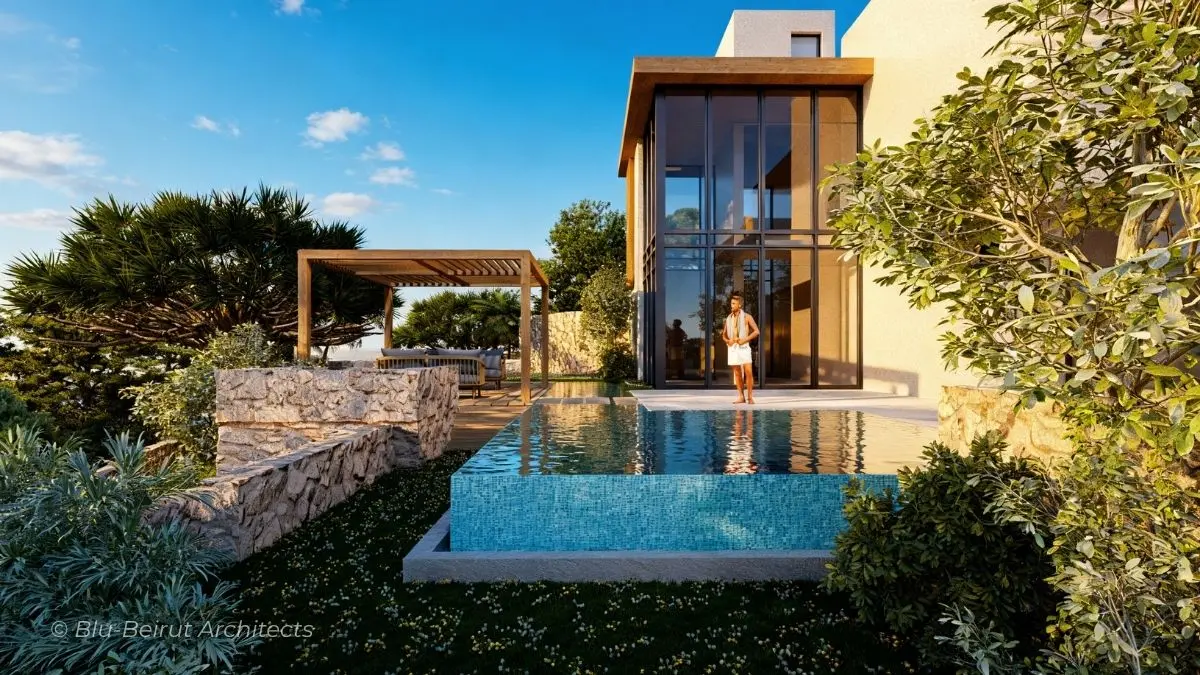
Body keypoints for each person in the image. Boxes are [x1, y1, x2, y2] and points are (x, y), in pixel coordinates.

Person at [722, 291, 759, 404]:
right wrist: (728, 341)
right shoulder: (728, 319)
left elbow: (757, 331)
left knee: (748, 372)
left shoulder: (747, 317)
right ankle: (741, 397)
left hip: (744, 347)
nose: (731, 305)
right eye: (731, 303)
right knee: (737, 373)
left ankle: (750, 397)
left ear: (740, 305)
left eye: (733, 303)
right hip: (733, 348)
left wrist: (744, 339)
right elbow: (723, 335)